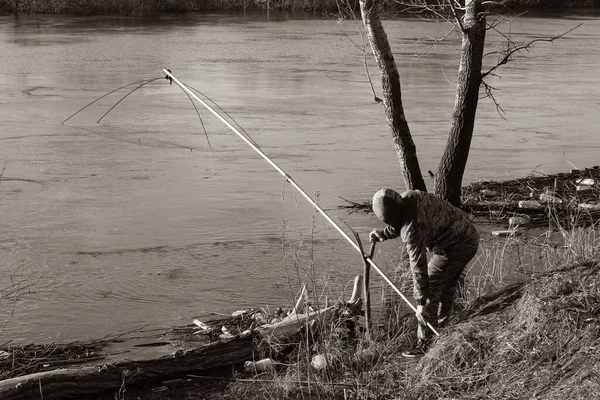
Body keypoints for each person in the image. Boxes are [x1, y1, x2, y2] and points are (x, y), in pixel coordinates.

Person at [369, 188, 479, 357]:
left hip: (457, 246)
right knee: (446, 284)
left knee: (432, 286)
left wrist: (421, 302)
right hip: (466, 235)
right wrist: (384, 234)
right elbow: (402, 219)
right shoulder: (409, 197)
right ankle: (444, 327)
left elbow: (418, 266)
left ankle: (425, 343)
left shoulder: (412, 228)